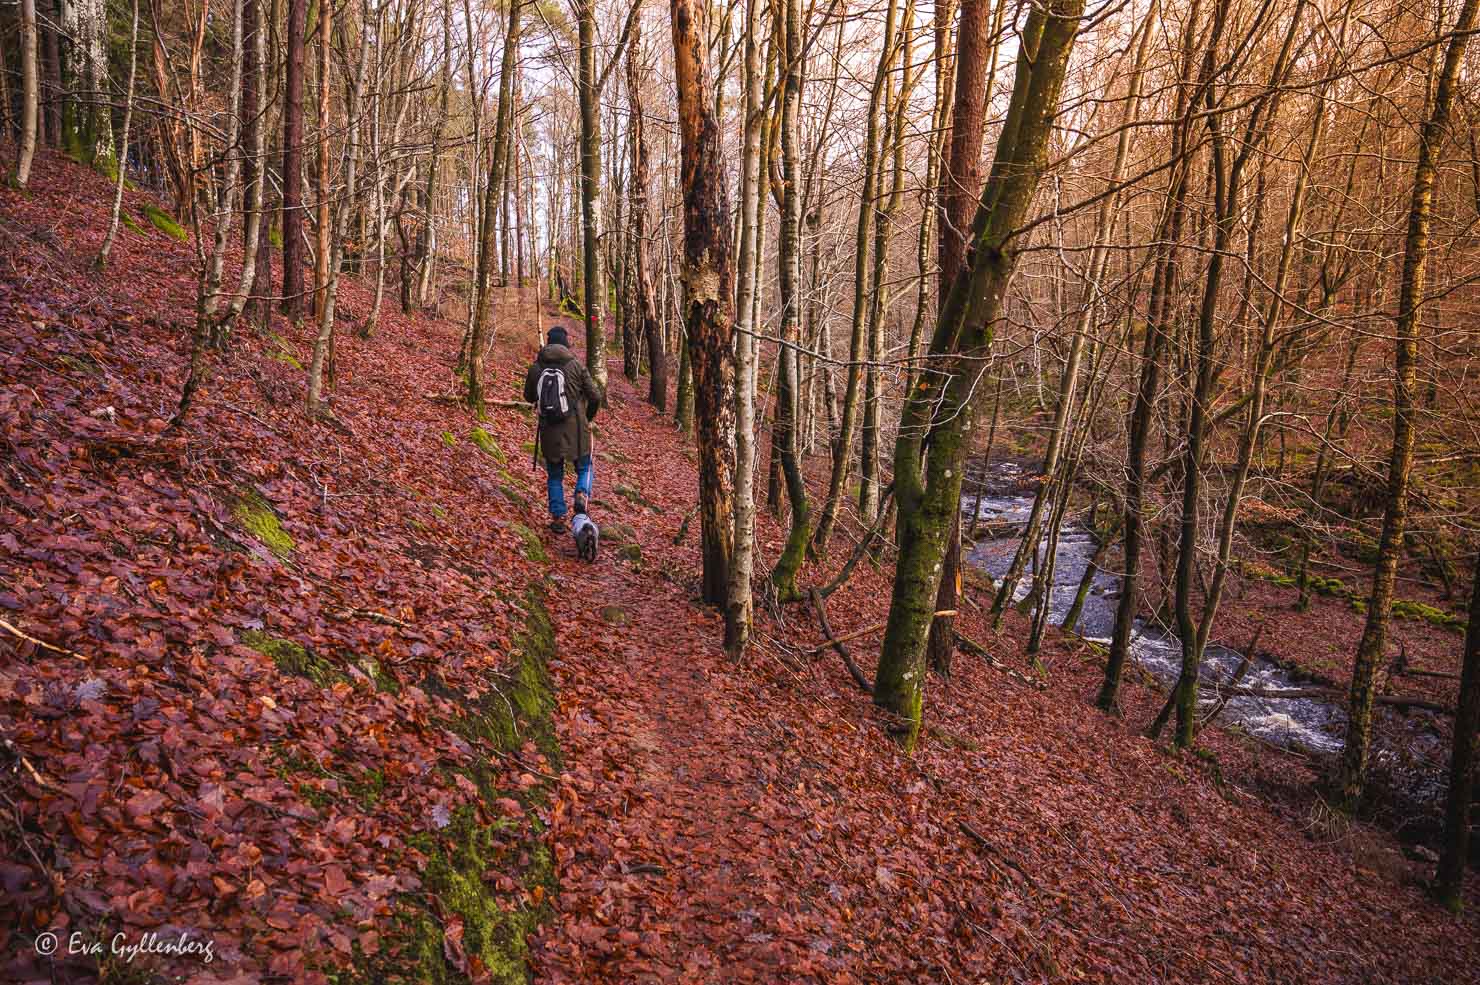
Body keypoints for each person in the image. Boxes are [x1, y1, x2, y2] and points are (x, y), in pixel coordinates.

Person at [523, 326, 604, 532]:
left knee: (555, 475)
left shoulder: (536, 367)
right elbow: (595, 396)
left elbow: (529, 397)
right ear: (566, 343)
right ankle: (581, 495)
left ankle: (558, 518)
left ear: (548, 343)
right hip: (577, 429)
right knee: (585, 467)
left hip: (549, 429)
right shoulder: (575, 365)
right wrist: (588, 418)